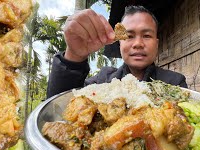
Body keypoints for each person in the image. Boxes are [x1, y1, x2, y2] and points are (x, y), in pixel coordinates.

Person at [46, 5, 187, 98]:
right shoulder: (102, 81)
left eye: (147, 35)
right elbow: (60, 104)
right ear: (119, 42)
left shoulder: (174, 83)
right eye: (129, 36)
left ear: (156, 43)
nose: (138, 43)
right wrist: (74, 55)